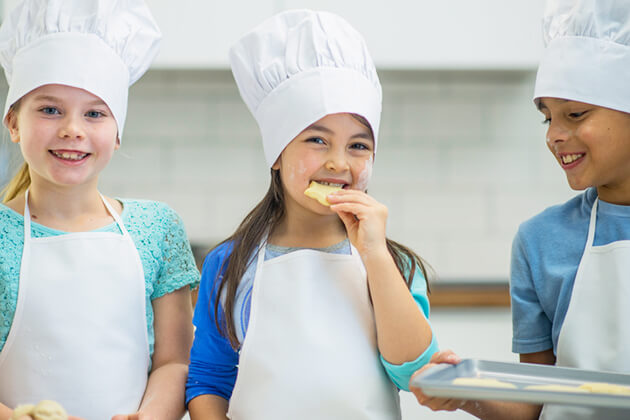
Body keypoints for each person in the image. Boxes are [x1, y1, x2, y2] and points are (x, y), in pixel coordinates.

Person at [185, 9, 439, 420]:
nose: (339, 163)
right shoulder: (229, 264)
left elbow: (412, 371)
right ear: (276, 154)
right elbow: (209, 379)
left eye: (358, 146)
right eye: (317, 140)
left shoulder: (394, 263)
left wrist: (375, 256)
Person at [410, 0, 630, 419]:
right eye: (547, 118)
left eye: (576, 114)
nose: (555, 136)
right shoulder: (540, 241)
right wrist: (465, 393)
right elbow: (537, 402)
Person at [0, 1, 199, 419]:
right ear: (14, 123)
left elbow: (175, 361)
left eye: (95, 113)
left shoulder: (157, 229)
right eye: (50, 109)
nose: (73, 129)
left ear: (118, 131)